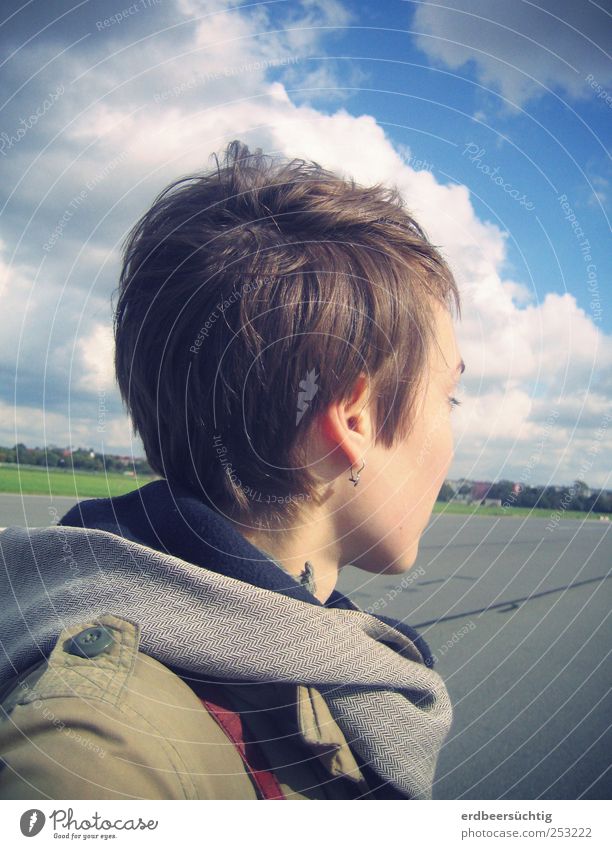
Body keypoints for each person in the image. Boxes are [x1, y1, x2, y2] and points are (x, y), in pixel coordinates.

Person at [0, 140, 463, 800]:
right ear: (352, 420)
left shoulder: (310, 649)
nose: (452, 435)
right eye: (449, 397)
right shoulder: (99, 753)